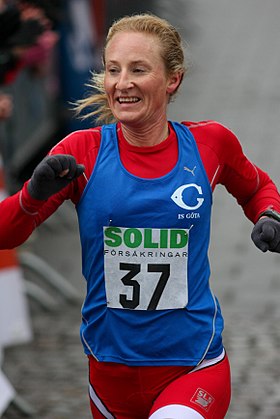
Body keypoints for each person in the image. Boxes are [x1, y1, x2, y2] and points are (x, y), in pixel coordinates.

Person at [0, 13, 280, 419]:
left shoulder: (210, 144)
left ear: (173, 80)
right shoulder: (82, 151)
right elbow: (7, 234)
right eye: (113, 70)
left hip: (192, 366)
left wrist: (268, 214)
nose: (122, 82)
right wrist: (31, 196)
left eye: (138, 69)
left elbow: (256, 187)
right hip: (109, 376)